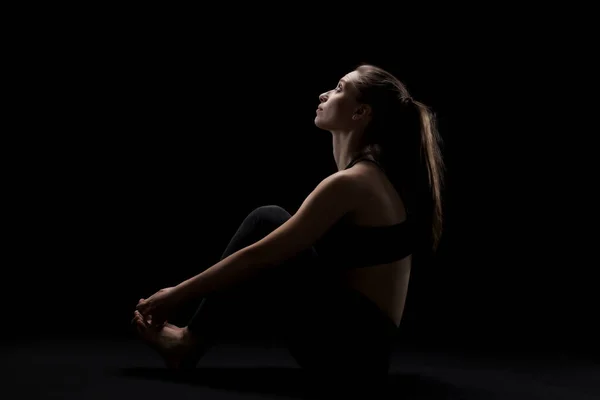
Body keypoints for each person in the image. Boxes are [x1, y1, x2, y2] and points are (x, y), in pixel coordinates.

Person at [132, 64, 444, 379]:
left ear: (360, 112)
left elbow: (262, 254)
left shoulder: (354, 182)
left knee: (267, 220)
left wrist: (175, 295)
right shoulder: (370, 178)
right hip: (364, 356)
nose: (324, 94)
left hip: (352, 357)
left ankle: (187, 344)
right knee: (271, 225)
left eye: (338, 88)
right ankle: (189, 341)